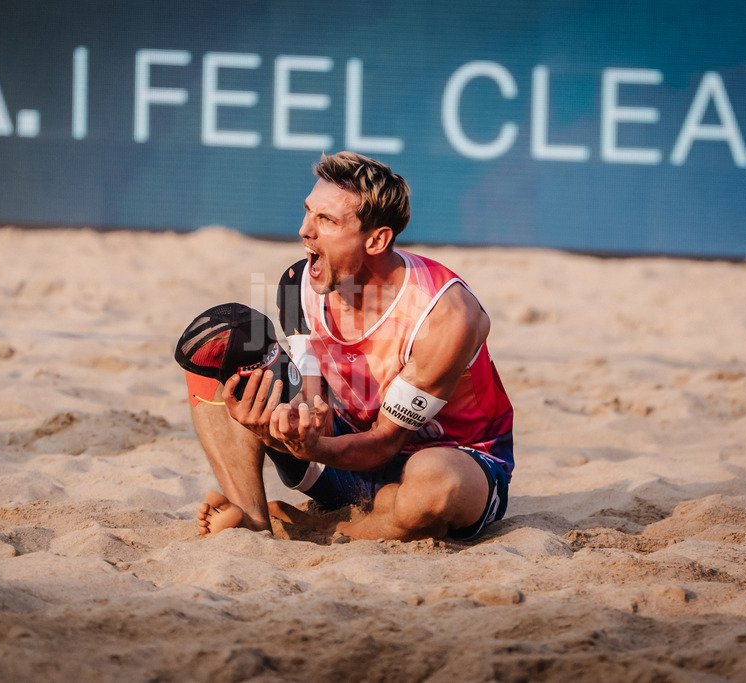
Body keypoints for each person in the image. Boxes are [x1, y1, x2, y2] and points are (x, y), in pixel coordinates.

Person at [188, 151, 514, 541]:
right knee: (220, 343)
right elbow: (314, 405)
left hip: (453, 456)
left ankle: (331, 529)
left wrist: (311, 448)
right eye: (309, 212)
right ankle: (253, 518)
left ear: (377, 240)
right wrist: (285, 428)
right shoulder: (299, 284)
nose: (304, 230)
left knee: (431, 485)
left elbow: (383, 445)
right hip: (346, 456)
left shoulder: (444, 315)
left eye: (325, 220)